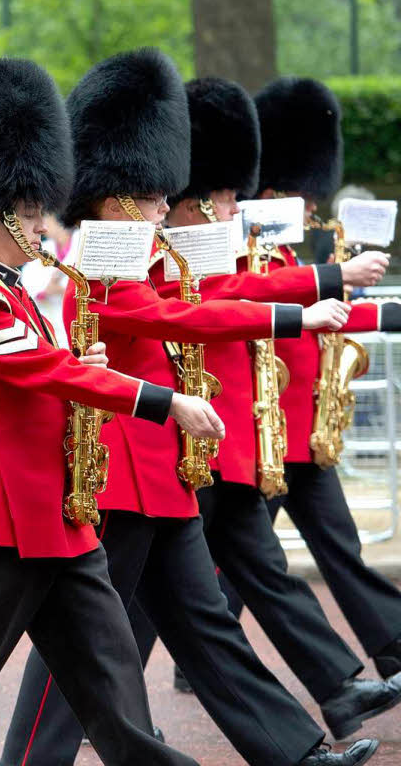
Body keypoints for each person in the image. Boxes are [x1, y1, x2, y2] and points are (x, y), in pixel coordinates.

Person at [0, 60, 384, 766]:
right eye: (149, 197)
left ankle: (292, 749)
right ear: (115, 197)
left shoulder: (138, 247)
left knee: (206, 624)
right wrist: (289, 319)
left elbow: (195, 300)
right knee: (88, 634)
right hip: (117, 468)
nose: (160, 207)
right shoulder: (101, 254)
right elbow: (184, 316)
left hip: (164, 469)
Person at [0, 55, 228, 766]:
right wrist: (164, 401)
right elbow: (43, 370)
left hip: (59, 514)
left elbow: (47, 372)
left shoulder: (9, 291)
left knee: (112, 685)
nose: (42, 224)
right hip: (3, 517)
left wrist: (84, 369)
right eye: (31, 212)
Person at [209, 77, 401, 687]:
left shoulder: (288, 259)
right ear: (271, 194)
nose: (310, 208)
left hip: (301, 434)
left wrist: (389, 313)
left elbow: (327, 315)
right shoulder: (245, 257)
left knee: (314, 553)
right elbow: (271, 308)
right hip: (263, 430)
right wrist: (335, 273)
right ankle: (200, 659)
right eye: (299, 196)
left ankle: (391, 647)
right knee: (232, 567)